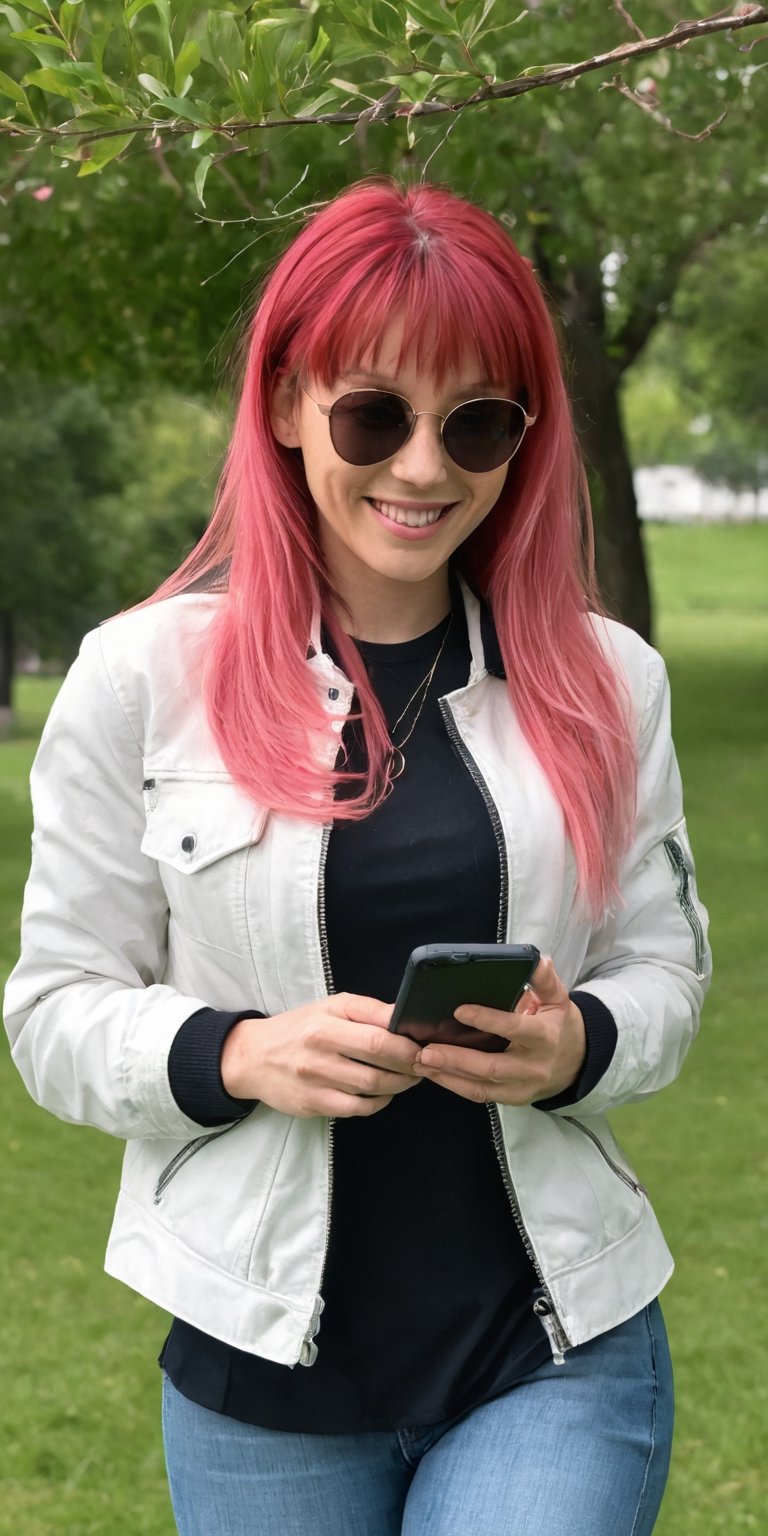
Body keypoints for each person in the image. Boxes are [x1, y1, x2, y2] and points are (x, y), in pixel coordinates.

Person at [4, 178, 710, 1536]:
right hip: (258, 1376)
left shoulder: (611, 685)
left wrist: (581, 1048)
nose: (426, 467)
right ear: (282, 405)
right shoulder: (138, 678)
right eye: (374, 413)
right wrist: (236, 1054)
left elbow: (666, 974)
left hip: (548, 1346)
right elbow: (50, 1012)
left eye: (479, 422)